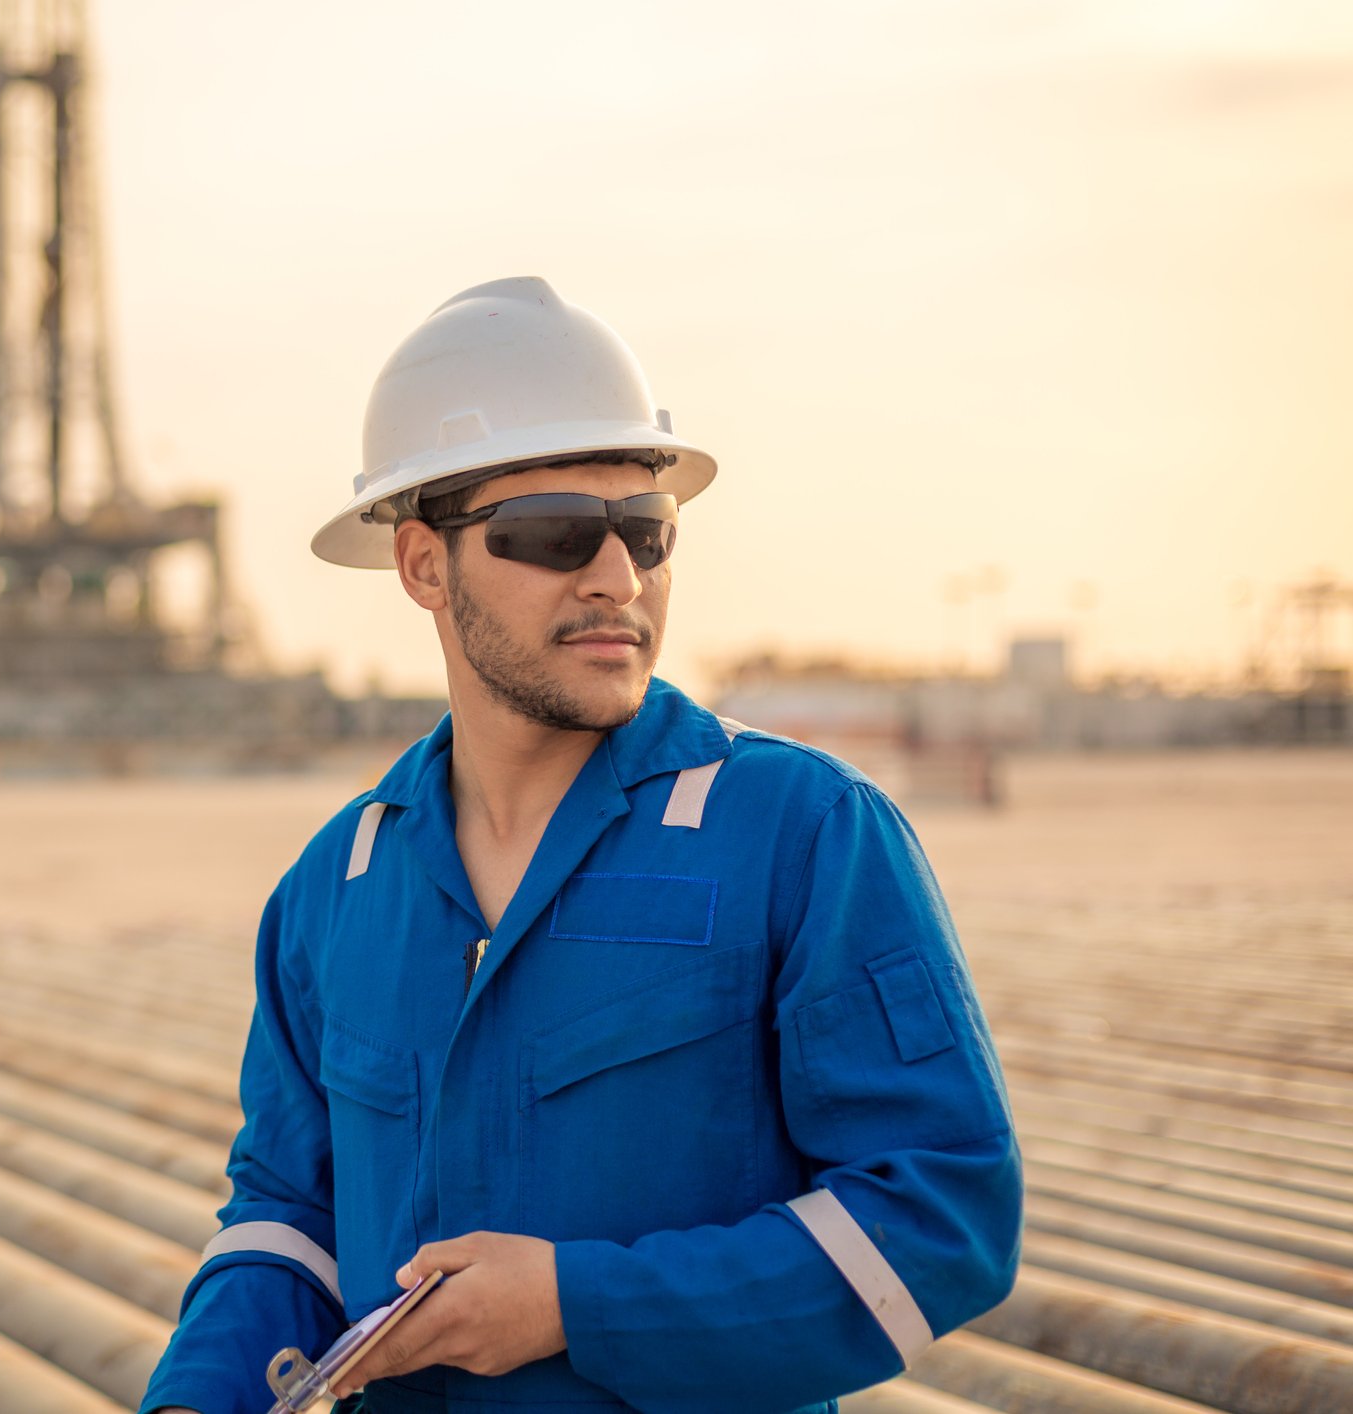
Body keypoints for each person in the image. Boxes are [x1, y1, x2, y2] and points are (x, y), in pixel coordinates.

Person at [140, 277, 1021, 1414]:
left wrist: (574, 1300)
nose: (618, 578)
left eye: (646, 534)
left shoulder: (803, 838)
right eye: (554, 534)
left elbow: (943, 1217)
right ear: (422, 564)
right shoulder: (335, 887)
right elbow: (288, 1212)